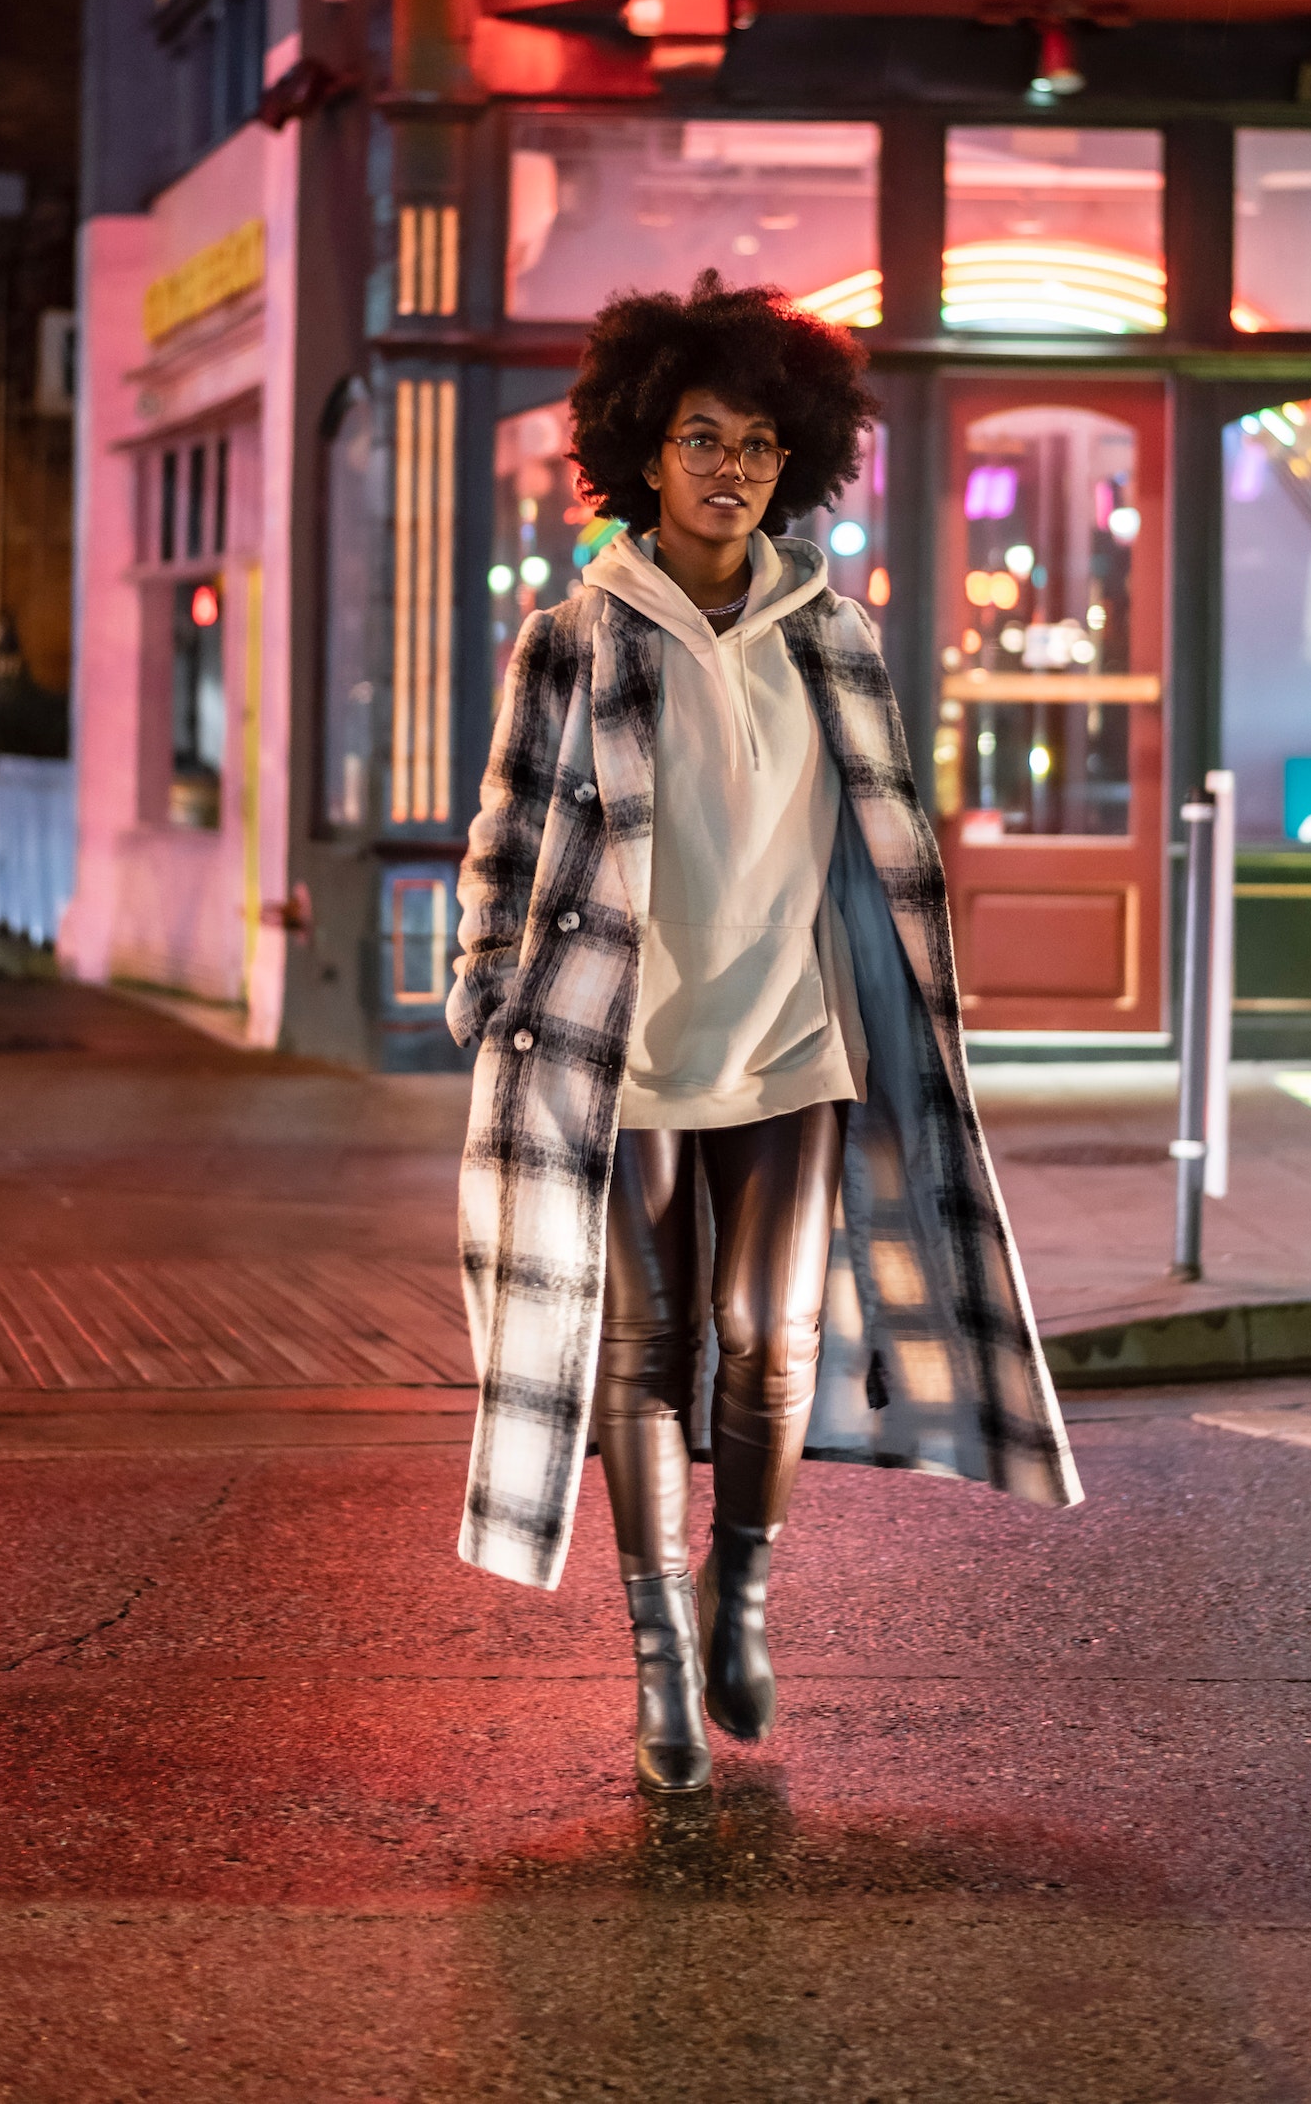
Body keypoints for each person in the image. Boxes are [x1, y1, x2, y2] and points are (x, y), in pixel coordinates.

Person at [449, 271, 1081, 1794]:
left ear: (791, 460)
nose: (728, 466)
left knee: (769, 1338)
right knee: (647, 1347)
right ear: (642, 453)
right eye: (698, 436)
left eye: (754, 444)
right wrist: (481, 991)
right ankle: (659, 1648)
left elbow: (885, 833)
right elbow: (508, 825)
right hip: (626, 1051)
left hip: (795, 1042)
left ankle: (742, 1593)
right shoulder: (574, 636)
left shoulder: (833, 636)